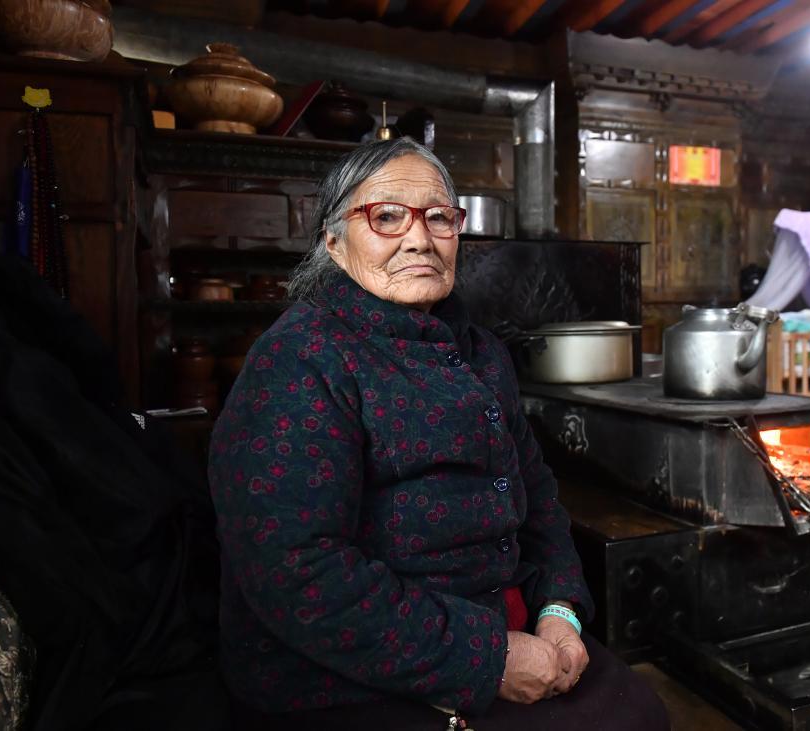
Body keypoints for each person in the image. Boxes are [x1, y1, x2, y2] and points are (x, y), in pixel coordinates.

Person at [208, 137, 669, 730]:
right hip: (353, 672)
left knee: (639, 713)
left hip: (509, 623)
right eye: (387, 216)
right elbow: (295, 572)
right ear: (333, 242)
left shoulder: (481, 352)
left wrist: (561, 609)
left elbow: (538, 497)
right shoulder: (300, 360)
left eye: (439, 217)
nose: (419, 239)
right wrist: (487, 659)